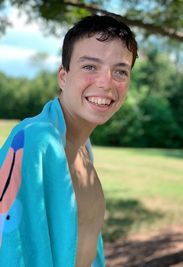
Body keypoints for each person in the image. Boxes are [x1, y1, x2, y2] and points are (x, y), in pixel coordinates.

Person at [0, 14, 138, 267]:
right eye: (90, 67)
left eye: (120, 71)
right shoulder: (34, 140)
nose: (106, 83)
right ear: (63, 77)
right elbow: (10, 247)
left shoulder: (84, 150)